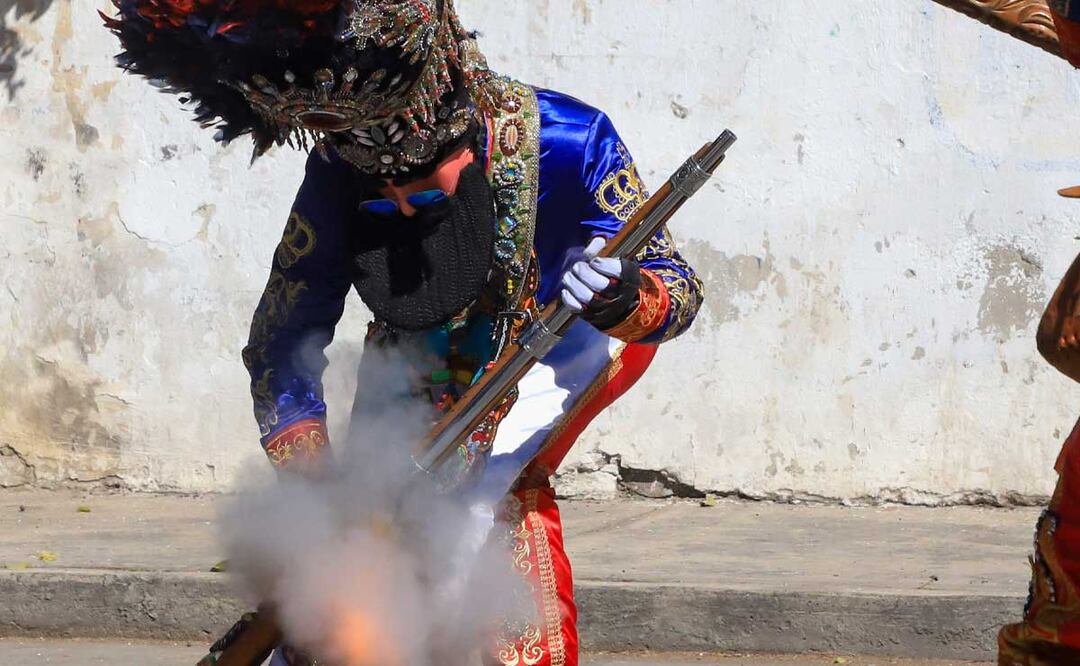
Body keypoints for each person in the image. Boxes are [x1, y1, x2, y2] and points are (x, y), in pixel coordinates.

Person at [104, 1, 704, 665]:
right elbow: (281, 335)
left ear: (468, 148)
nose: (397, 204)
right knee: (364, 536)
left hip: (564, 337)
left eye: (421, 188)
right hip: (415, 342)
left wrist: (625, 298)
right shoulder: (338, 171)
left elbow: (675, 286)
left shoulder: (571, 141)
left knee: (480, 504)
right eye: (381, 191)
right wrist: (321, 494)